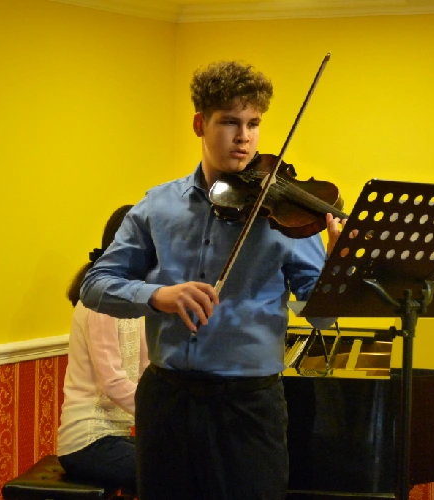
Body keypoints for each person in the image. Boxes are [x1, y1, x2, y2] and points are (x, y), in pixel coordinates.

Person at [80, 61, 351, 500]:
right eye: (229, 122)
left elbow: (322, 318)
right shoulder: (157, 207)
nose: (244, 137)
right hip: (168, 401)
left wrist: (341, 269)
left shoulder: (287, 211)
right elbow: (95, 285)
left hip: (249, 406)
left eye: (253, 124)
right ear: (199, 124)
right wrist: (158, 295)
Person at [57, 205, 149, 494]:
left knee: (186, 461)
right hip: (87, 441)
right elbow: (112, 382)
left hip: (115, 436)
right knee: (168, 475)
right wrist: (159, 414)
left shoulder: (135, 299)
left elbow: (148, 369)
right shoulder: (100, 301)